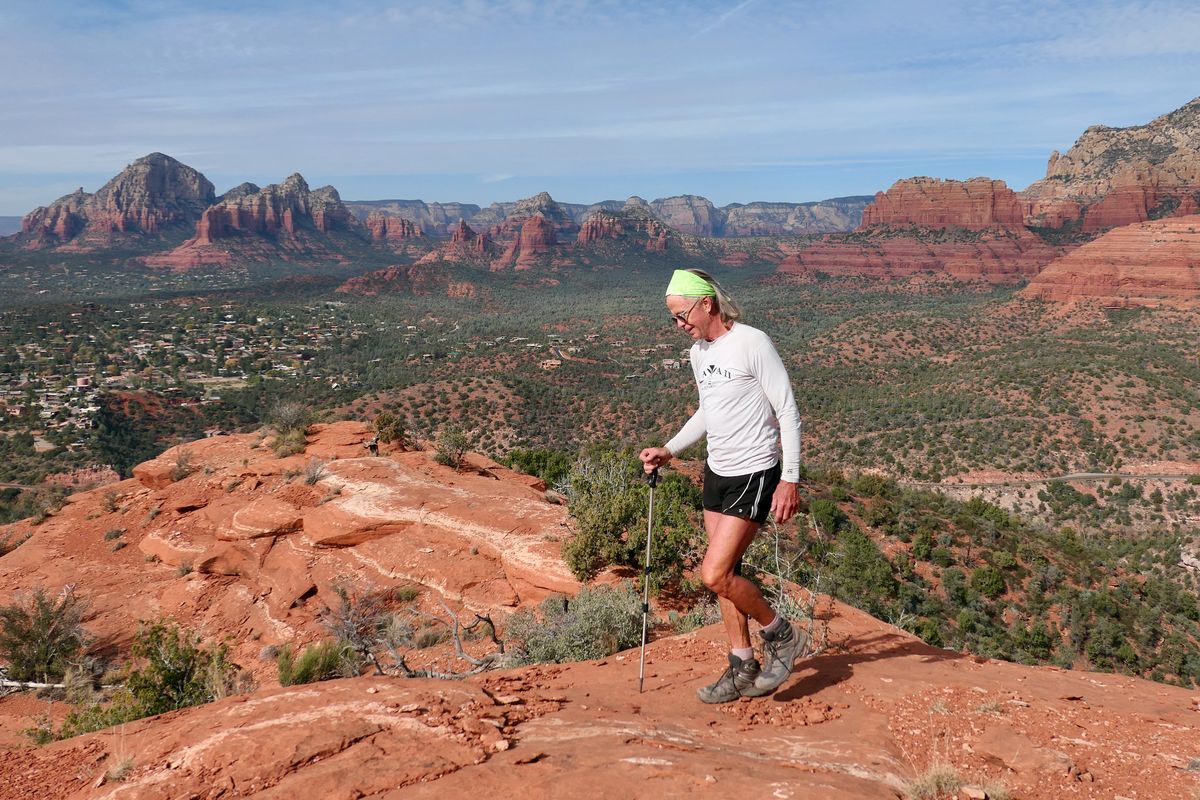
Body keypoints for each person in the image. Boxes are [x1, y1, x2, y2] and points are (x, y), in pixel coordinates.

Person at [640, 268, 807, 703]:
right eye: (673, 318)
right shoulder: (700, 353)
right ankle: (742, 665)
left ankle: (783, 636)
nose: (678, 325)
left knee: (712, 573)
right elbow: (707, 411)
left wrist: (789, 479)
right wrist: (670, 450)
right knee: (724, 577)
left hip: (754, 472)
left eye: (681, 315)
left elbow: (787, 411)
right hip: (717, 471)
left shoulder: (752, 342)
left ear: (706, 304)